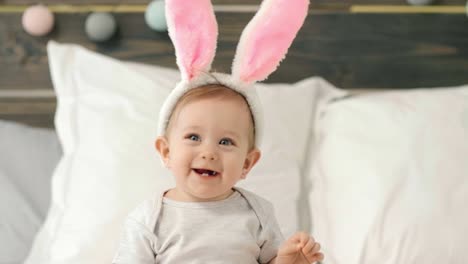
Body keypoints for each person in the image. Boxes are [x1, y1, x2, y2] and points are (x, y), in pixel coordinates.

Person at [112, 0, 324, 263]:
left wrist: (288, 261)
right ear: (166, 151)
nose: (209, 152)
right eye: (193, 137)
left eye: (226, 141)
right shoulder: (149, 220)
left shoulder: (257, 214)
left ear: (247, 162)